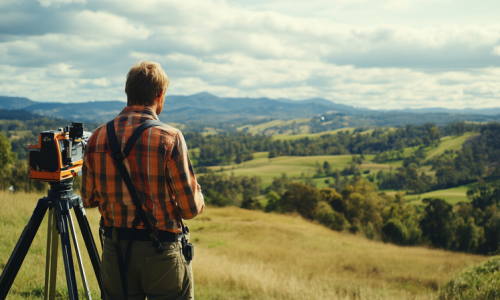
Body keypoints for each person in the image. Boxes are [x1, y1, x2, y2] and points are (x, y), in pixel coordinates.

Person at [81, 60, 205, 300]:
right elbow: (190, 209)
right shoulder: (170, 138)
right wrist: (197, 192)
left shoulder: (97, 137)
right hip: (162, 252)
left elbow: (88, 199)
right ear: (160, 95)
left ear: (128, 92)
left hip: (115, 252)